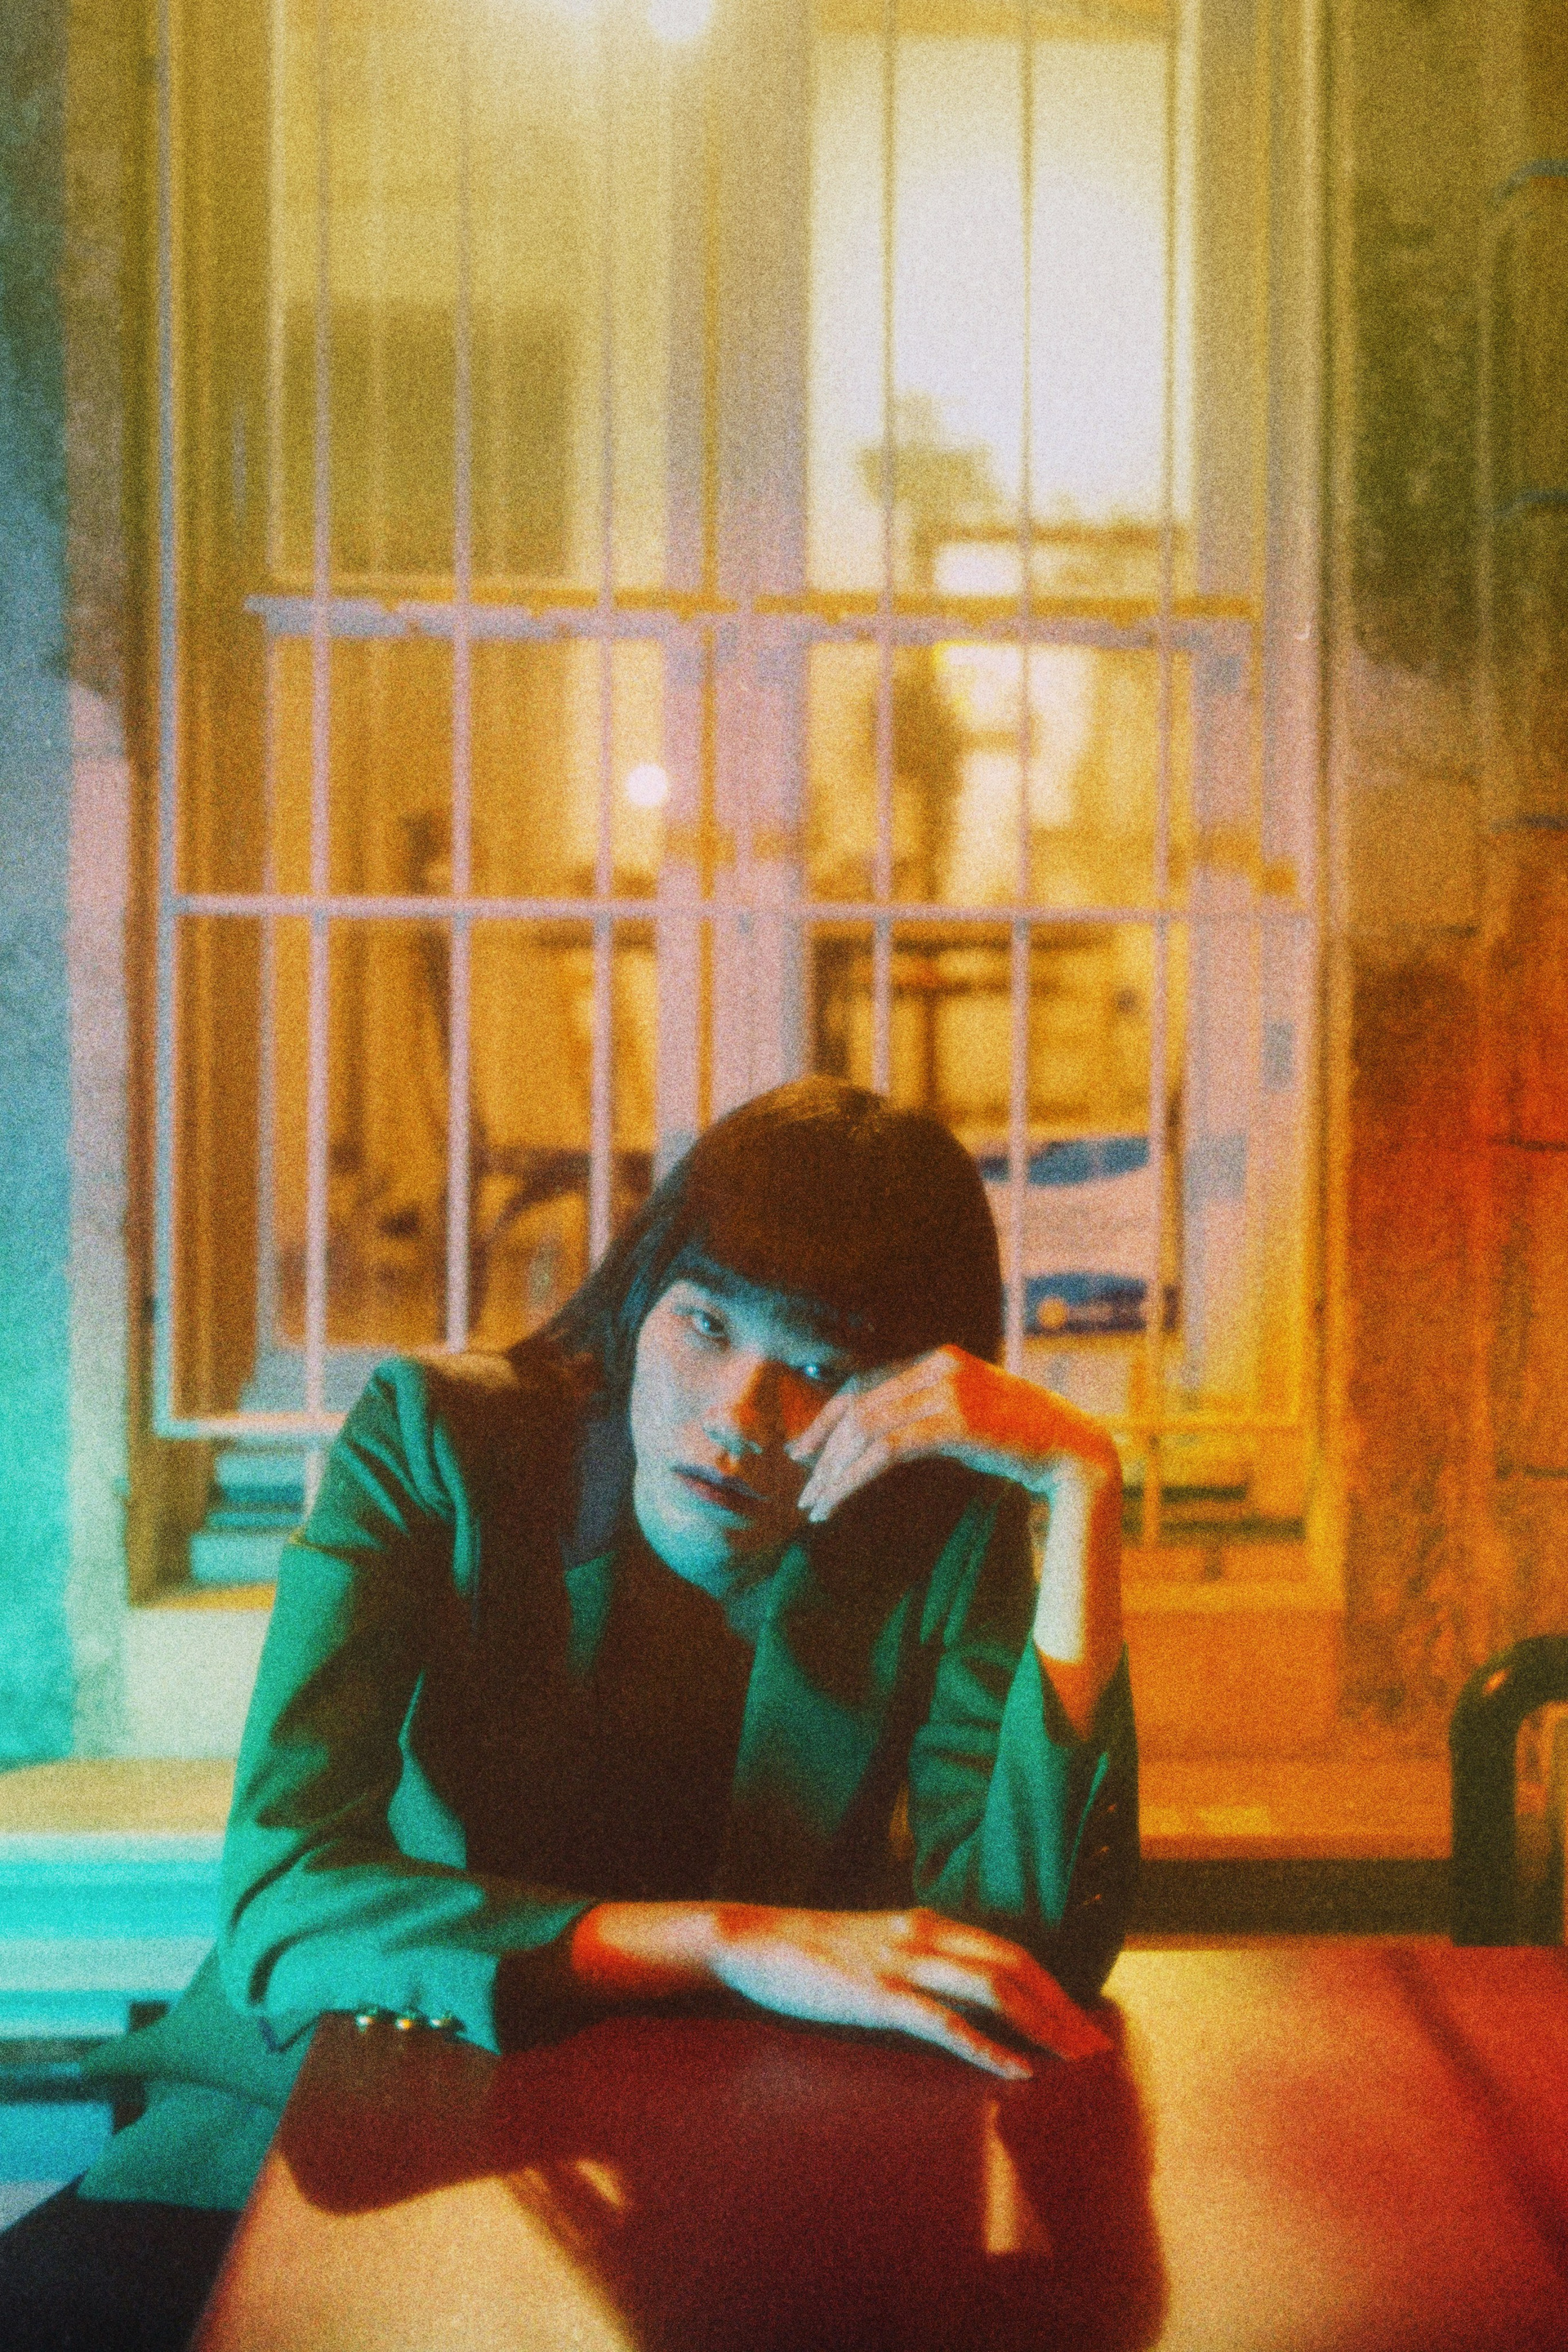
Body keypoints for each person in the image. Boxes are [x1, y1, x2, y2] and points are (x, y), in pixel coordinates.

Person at [0, 1078, 1138, 2350]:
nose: (736, 1413)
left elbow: (1025, 1964)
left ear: (904, 1397)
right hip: (329, 2139)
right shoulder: (438, 1444)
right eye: (705, 1323)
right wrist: (721, 1941)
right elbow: (285, 1900)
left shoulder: (937, 1535)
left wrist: (1080, 1486)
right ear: (644, 1295)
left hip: (725, 2182)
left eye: (818, 1367)